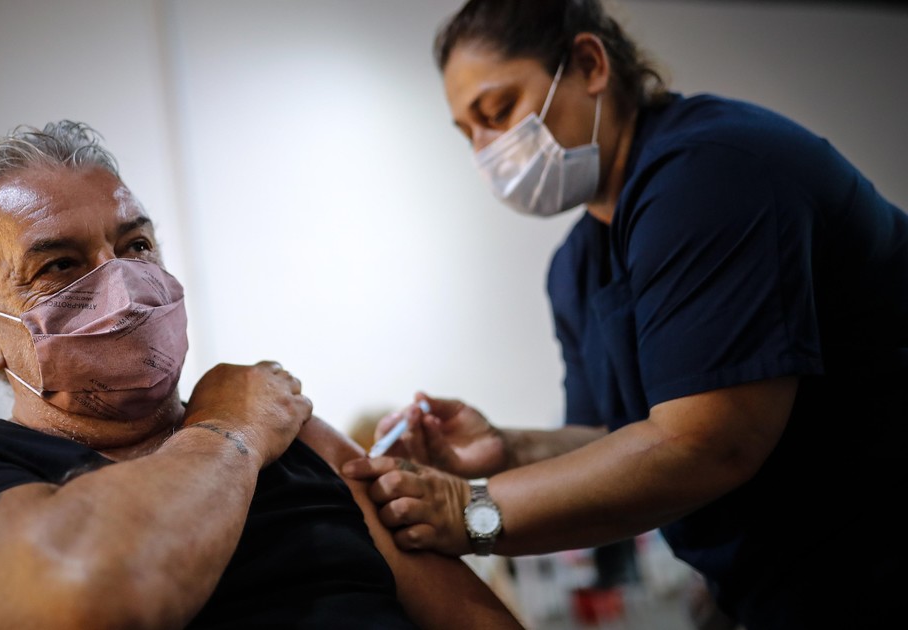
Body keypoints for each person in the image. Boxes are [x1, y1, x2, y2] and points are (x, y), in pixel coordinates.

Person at [341, 1, 907, 629]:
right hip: (781, 589)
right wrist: (507, 447)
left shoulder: (712, 174)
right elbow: (617, 437)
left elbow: (708, 443)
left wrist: (466, 509)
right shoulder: (576, 266)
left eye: (497, 111)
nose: (487, 151)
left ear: (590, 64)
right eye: (468, 131)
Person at [0, 120, 523, 630]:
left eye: (136, 245)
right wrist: (229, 427)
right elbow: (99, 597)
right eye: (60, 265)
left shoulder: (299, 443)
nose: (124, 286)